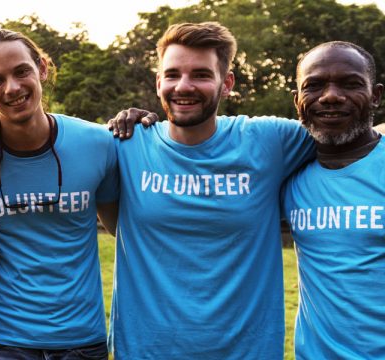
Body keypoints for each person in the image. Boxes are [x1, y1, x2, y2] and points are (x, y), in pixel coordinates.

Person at [101, 23, 313, 358]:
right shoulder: (122, 144)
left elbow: (359, 135)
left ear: (226, 83)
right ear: (158, 83)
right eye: (172, 75)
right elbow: (46, 137)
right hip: (146, 351)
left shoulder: (270, 140)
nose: (183, 86)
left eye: (200, 74)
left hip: (247, 352)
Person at [0, 29, 118, 359]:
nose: (12, 88)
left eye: (21, 71)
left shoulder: (98, 144)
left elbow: (123, 231)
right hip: (3, 340)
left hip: (82, 339)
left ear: (42, 69)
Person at [282, 41, 384, 359]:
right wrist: (145, 128)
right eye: (314, 86)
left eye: (350, 83)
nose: (331, 96)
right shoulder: (285, 173)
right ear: (298, 100)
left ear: (376, 96)